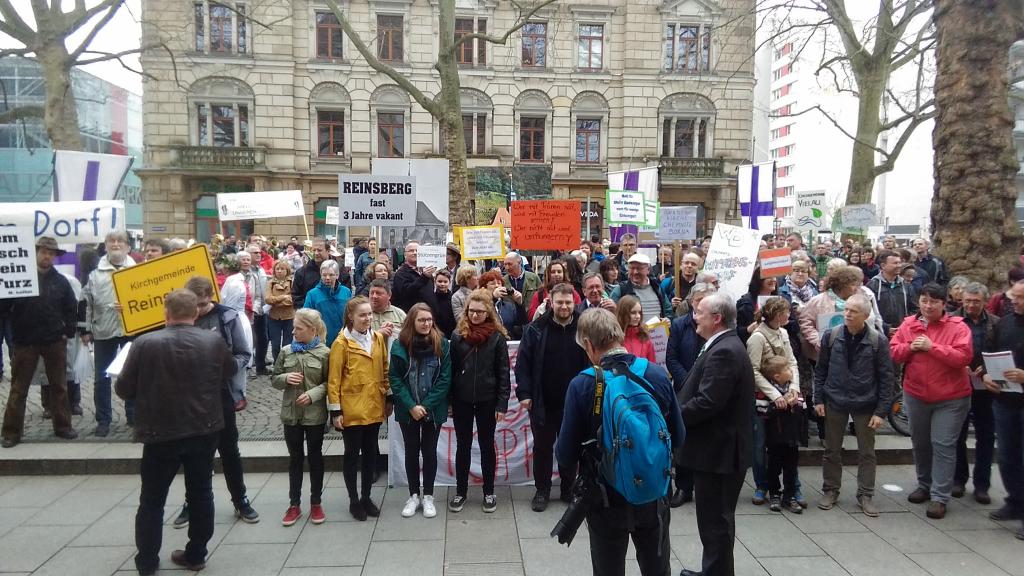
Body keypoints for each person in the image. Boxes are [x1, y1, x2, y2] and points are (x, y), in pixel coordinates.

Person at [553, 307, 683, 576]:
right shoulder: (656, 375)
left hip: (605, 498)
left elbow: (565, 455)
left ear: (588, 345)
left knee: (608, 569)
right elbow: (679, 436)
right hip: (653, 492)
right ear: (620, 335)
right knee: (657, 568)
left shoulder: (583, 385)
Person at [115, 289, 236, 575]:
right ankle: (196, 554)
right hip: (202, 429)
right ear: (195, 313)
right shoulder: (213, 341)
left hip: (160, 432)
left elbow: (123, 389)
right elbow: (229, 371)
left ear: (166, 314)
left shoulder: (144, 343)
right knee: (201, 493)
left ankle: (147, 561)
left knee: (152, 500)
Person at [676, 292, 753, 576]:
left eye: (699, 313)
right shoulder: (723, 345)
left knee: (715, 523)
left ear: (717, 318)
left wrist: (673, 416)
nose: (694, 317)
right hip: (716, 450)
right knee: (714, 522)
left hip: (719, 454)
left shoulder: (724, 350)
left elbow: (708, 402)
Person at [172, 276, 259, 529]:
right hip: (189, 397)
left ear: (211, 297)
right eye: (192, 305)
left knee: (229, 450)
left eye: (200, 304)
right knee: (194, 454)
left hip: (221, 393)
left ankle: (240, 499)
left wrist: (226, 368)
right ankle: (192, 502)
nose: (196, 310)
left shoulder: (227, 317)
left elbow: (244, 354)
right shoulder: (182, 317)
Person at [891, 283, 973, 519]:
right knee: (920, 442)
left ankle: (939, 496)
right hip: (916, 395)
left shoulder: (958, 326)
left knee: (943, 444)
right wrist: (909, 347)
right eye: (924, 301)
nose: (928, 306)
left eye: (933, 302)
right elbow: (894, 352)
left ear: (943, 304)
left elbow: (963, 357)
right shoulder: (909, 324)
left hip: (951, 398)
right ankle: (924, 485)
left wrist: (932, 347)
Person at [813, 293, 894, 517]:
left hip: (865, 402)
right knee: (831, 449)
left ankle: (865, 494)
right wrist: (818, 399)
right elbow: (821, 370)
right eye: (846, 310)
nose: (847, 314)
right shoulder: (832, 335)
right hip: (835, 399)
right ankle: (830, 489)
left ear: (866, 316)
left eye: (853, 311)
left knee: (867, 451)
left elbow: (887, 378)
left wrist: (881, 412)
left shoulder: (878, 341)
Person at [515, 283, 590, 512]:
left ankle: (568, 488)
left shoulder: (584, 327)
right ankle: (542, 490)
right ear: (551, 302)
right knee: (543, 448)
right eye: (560, 302)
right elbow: (523, 364)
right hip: (543, 401)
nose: (564, 306)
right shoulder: (536, 328)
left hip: (575, 402)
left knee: (572, 446)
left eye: (568, 302)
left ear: (574, 303)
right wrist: (525, 394)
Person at [0, 237, 80, 447]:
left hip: (54, 340)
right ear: (35, 253)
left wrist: (68, 331)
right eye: (44, 252)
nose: (47, 256)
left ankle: (63, 427)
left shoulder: (61, 281)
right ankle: (11, 432)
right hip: (24, 340)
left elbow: (71, 308)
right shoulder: (19, 278)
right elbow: (4, 308)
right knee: (19, 388)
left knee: (59, 386)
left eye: (51, 253)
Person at [328, 296, 392, 521]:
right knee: (351, 455)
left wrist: (389, 397)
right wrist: (335, 411)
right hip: (352, 409)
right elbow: (333, 380)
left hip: (374, 406)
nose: (367, 318)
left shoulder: (377, 338)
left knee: (370, 455)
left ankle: (366, 496)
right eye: (362, 315)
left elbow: (385, 369)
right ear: (351, 317)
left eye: (369, 314)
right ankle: (354, 500)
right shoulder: (341, 344)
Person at [448, 288, 511, 514]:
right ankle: (461, 491)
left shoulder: (496, 337)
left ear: (488, 313)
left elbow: (504, 372)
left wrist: (502, 404)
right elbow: (451, 370)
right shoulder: (458, 336)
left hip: (487, 399)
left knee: (486, 446)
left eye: (480, 312)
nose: (475, 316)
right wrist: (449, 401)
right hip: (462, 399)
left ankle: (489, 491)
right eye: (471, 311)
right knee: (462, 446)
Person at [390, 304, 452, 519]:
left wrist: (425, 406)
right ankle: (413, 494)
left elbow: (445, 379)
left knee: (429, 451)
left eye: (429, 320)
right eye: (421, 320)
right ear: (412, 322)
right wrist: (411, 406)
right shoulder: (400, 345)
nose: (426, 324)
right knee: (411, 450)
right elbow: (395, 379)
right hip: (408, 410)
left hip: (432, 410)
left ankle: (429, 496)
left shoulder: (441, 344)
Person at [273, 308, 330, 527]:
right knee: (294, 458)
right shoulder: (286, 351)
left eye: (298, 328)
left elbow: (330, 383)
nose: (293, 331)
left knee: (315, 457)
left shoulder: (325, 352)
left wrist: (313, 394)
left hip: (314, 415)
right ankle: (294, 503)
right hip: (291, 414)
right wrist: (286, 378)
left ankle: (316, 502)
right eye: (293, 328)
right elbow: (274, 378)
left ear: (312, 330)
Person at [747, 296, 804, 509]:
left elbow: (792, 363)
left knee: (790, 444)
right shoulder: (757, 337)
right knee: (760, 444)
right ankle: (762, 485)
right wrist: (775, 395)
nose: (789, 315)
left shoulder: (784, 333)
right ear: (777, 314)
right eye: (786, 312)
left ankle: (793, 487)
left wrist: (793, 389)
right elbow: (753, 370)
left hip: (786, 398)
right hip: (764, 401)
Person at [665, 283, 717, 507]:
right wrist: (689, 382)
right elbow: (671, 358)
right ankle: (684, 487)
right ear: (691, 302)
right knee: (683, 438)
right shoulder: (679, 325)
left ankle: (705, 483)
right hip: (684, 390)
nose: (701, 305)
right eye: (698, 301)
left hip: (709, 389)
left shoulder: (716, 327)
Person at [82, 230, 136, 436]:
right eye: (111, 241)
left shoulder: (138, 270)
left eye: (120, 241)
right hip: (103, 329)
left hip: (130, 330)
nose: (116, 244)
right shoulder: (94, 273)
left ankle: (133, 415)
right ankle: (103, 419)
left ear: (128, 247)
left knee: (131, 374)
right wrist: (85, 329)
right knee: (101, 378)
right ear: (105, 246)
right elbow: (85, 303)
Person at [982, 279, 1024, 538]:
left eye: (1019, 298)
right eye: (1013, 297)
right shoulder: (1006, 321)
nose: (1014, 302)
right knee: (1007, 456)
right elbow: (990, 351)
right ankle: (1015, 501)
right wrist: (987, 375)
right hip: (1005, 399)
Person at [952, 282, 998, 504]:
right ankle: (958, 479)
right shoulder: (952, 320)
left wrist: (987, 368)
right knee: (957, 434)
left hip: (985, 387)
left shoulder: (995, 323)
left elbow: (1000, 352)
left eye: (976, 302)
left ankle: (982, 485)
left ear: (985, 302)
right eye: (967, 301)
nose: (971, 305)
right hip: (957, 383)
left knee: (986, 435)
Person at [758, 355, 804, 514]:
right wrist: (778, 405)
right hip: (775, 438)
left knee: (791, 469)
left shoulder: (794, 389)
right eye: (786, 369)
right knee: (773, 467)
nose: (790, 371)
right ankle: (774, 493)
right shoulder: (767, 392)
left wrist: (795, 404)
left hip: (792, 438)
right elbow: (763, 411)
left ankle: (789, 495)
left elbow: (803, 408)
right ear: (777, 376)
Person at [798, 266, 867, 363]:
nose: (857, 288)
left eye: (858, 285)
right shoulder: (818, 301)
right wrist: (817, 340)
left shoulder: (859, 300)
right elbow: (805, 323)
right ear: (842, 285)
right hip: (823, 355)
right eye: (853, 284)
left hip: (853, 353)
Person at [866, 249, 918, 336]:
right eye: (895, 263)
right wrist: (885, 328)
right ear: (883, 265)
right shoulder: (872, 286)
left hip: (903, 332)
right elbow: (868, 312)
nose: (899, 266)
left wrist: (905, 325)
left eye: (899, 262)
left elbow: (914, 308)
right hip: (879, 334)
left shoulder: (906, 286)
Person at [303, 260, 352, 346]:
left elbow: (351, 315)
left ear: (337, 275)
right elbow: (305, 318)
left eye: (331, 275)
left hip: (343, 340)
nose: (327, 278)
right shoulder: (312, 294)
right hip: (321, 342)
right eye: (324, 275)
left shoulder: (346, 292)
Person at [610, 253, 672, 320]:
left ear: (648, 270)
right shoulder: (621, 290)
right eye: (632, 268)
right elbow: (611, 317)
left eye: (639, 268)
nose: (635, 272)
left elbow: (668, 311)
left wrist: (668, 319)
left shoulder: (657, 288)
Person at [480, 269, 527, 339]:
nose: (496, 286)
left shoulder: (509, 306)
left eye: (499, 283)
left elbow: (521, 323)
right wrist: (493, 297)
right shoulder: (481, 304)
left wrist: (519, 304)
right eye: (492, 284)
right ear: (484, 287)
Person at [392, 241, 437, 312]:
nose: (415, 253)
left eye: (417, 250)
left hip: (428, 314)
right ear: (405, 255)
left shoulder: (426, 270)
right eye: (411, 251)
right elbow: (406, 293)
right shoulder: (401, 273)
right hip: (412, 315)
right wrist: (424, 277)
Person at [266, 259, 296, 363]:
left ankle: (286, 363)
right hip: (274, 317)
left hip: (289, 317)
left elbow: (293, 299)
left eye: (282, 269)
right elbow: (268, 299)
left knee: (287, 344)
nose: (279, 271)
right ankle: (276, 364)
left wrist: (276, 301)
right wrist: (284, 297)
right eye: (277, 269)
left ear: (287, 270)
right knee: (275, 344)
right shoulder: (270, 283)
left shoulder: (292, 282)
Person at [368, 278, 407, 350]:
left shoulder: (400, 314)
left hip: (393, 358)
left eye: (378, 293)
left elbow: (409, 337)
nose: (374, 296)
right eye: (372, 293)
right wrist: (378, 334)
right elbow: (355, 338)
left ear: (389, 295)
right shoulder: (362, 314)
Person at [617, 295, 657, 363]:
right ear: (623, 314)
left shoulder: (645, 338)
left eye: (639, 312)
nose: (638, 316)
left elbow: (652, 365)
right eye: (633, 313)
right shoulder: (615, 339)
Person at [292, 237, 329, 308]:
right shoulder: (301, 272)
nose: (316, 253)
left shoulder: (339, 270)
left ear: (328, 250)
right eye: (314, 250)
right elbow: (296, 297)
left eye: (319, 250)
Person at [433, 269, 457, 336]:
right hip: (435, 334)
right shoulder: (431, 298)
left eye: (445, 282)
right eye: (440, 281)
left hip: (451, 334)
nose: (442, 284)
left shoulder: (454, 298)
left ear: (449, 282)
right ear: (435, 281)